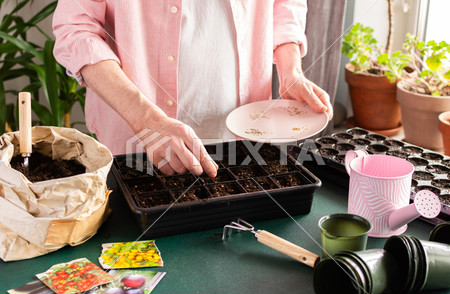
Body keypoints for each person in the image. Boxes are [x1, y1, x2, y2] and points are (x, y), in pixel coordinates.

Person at [53, 0, 332, 178]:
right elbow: (76, 30)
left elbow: (285, 4)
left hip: (242, 137)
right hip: (136, 140)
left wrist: (290, 70)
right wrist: (147, 120)